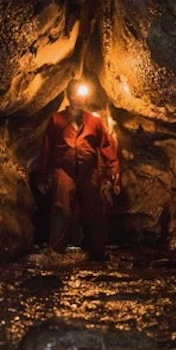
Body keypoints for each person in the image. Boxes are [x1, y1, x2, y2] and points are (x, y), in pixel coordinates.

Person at [37, 79, 121, 260]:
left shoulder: (94, 122)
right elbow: (46, 149)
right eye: (74, 94)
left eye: (81, 95)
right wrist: (42, 177)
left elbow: (106, 148)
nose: (78, 98)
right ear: (68, 95)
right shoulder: (57, 120)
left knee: (94, 210)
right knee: (61, 209)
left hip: (89, 171)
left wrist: (114, 174)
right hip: (63, 170)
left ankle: (98, 253)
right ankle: (56, 252)